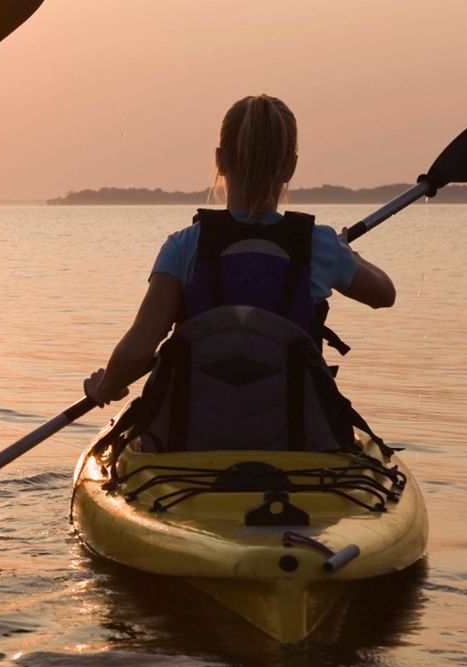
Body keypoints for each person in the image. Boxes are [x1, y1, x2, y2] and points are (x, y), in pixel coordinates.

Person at [84, 94, 396, 453]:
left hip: (189, 443)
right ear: (290, 167)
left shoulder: (184, 246)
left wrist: (106, 387)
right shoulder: (319, 245)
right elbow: (384, 294)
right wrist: (348, 254)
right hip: (295, 443)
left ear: (220, 160)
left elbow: (138, 351)